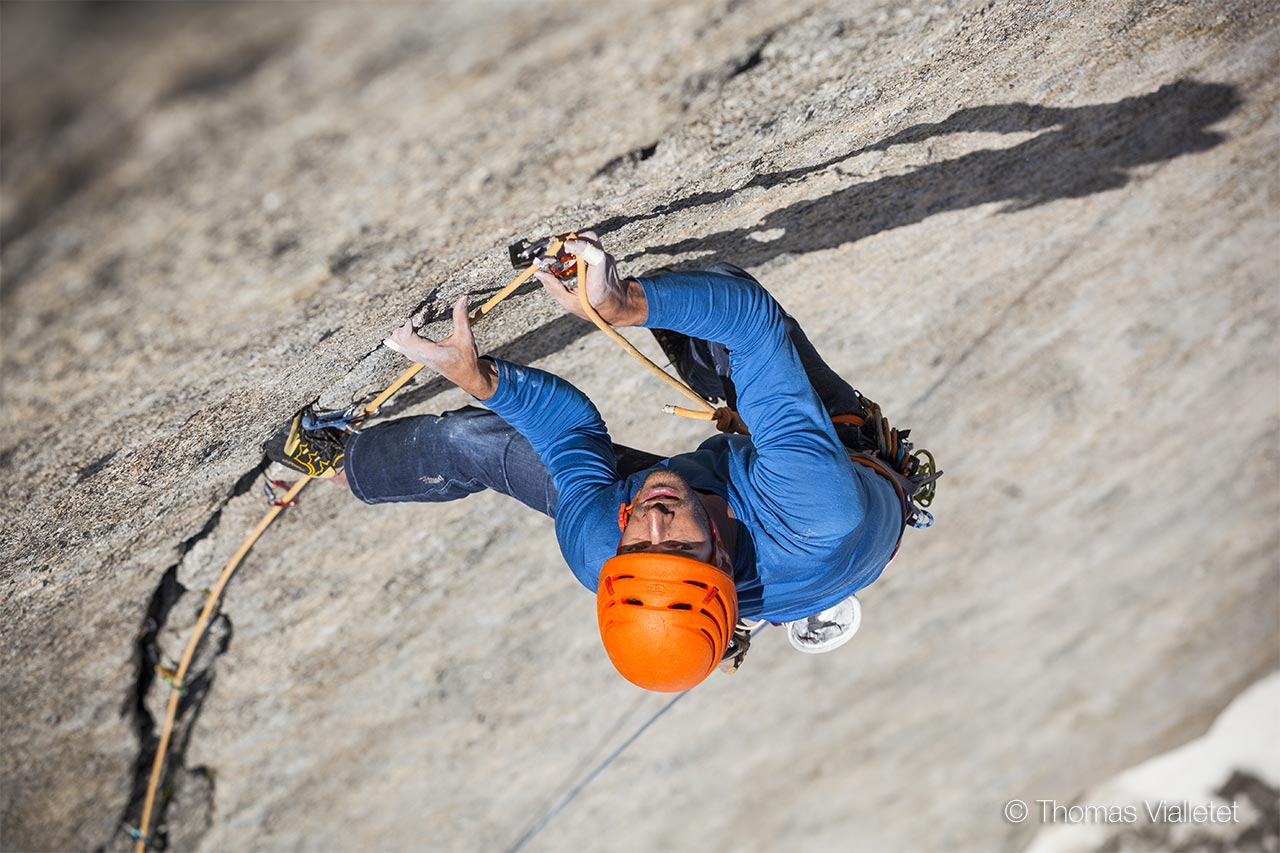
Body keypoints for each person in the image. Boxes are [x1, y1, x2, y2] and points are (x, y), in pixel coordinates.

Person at [267, 233, 934, 691]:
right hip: (845, 481)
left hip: (775, 533)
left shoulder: (600, 547)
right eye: (675, 542)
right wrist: (624, 304)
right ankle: (641, 307)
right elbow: (753, 322)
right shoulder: (815, 503)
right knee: (722, 296)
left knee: (474, 439)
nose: (651, 519)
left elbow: (567, 435)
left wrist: (483, 380)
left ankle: (341, 459)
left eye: (639, 542)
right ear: (722, 559)